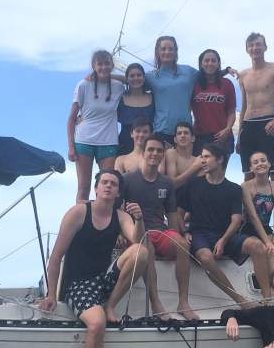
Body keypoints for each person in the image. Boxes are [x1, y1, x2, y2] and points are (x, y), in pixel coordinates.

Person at [39, 170, 149, 348]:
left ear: (118, 192)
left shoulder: (121, 216)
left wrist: (139, 220)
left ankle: (110, 305)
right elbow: (56, 257)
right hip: (77, 284)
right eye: (104, 183)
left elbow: (137, 241)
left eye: (113, 184)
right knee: (97, 324)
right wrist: (51, 294)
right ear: (96, 189)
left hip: (102, 280)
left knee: (142, 253)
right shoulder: (78, 213)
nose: (108, 187)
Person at [179, 143, 273, 305]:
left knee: (257, 246)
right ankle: (239, 300)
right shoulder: (193, 184)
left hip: (225, 235)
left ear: (220, 159)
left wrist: (223, 240)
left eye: (207, 157)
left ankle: (267, 298)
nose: (203, 160)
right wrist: (183, 232)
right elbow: (179, 213)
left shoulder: (234, 189)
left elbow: (236, 220)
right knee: (206, 257)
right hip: (199, 235)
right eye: (202, 157)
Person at [123, 135, 198, 321]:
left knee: (182, 244)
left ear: (163, 154)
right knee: (146, 246)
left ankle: (183, 303)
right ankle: (156, 302)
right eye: (151, 149)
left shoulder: (166, 183)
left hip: (160, 230)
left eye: (159, 151)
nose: (155, 154)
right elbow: (118, 211)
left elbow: (172, 216)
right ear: (143, 152)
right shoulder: (127, 180)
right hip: (137, 232)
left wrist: (179, 236)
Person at [68, 50, 126, 202]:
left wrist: (109, 76)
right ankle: (81, 222)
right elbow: (71, 119)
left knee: (108, 186)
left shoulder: (118, 86)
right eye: (99, 64)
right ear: (93, 66)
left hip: (108, 141)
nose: (103, 67)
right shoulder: (83, 85)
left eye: (107, 64)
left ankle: (105, 222)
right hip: (84, 141)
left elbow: (131, 79)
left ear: (112, 65)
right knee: (84, 187)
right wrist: (71, 147)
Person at [236, 32, 274, 178]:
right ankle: (248, 202)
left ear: (265, 47)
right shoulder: (243, 75)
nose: (255, 48)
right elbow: (244, 106)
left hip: (267, 124)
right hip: (247, 125)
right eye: (251, 45)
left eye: (258, 44)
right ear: (247, 49)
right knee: (248, 172)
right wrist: (239, 136)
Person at [240, 151, 274, 273]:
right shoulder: (245, 186)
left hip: (266, 228)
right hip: (248, 229)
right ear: (251, 168)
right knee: (271, 251)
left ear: (269, 164)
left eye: (263, 160)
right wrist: (268, 242)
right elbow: (253, 217)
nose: (260, 164)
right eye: (256, 162)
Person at [146, 36, 199, 145]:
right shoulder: (150, 76)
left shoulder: (188, 71)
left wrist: (226, 70)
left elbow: (209, 74)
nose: (167, 52)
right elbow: (130, 80)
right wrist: (108, 77)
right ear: (157, 51)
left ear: (176, 52)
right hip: (162, 131)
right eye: (163, 49)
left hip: (184, 131)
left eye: (171, 49)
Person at [191, 48, 236, 156]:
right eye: (206, 60)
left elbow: (231, 111)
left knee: (219, 173)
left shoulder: (227, 84)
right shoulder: (194, 84)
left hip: (222, 137)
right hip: (200, 137)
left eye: (213, 60)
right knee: (201, 172)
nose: (210, 63)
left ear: (218, 63)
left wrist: (228, 129)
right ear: (201, 64)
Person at [117, 63, 155, 156]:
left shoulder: (153, 97)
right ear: (127, 79)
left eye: (139, 75)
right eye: (132, 76)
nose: (136, 78)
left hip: (149, 146)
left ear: (144, 77)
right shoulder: (120, 98)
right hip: (124, 145)